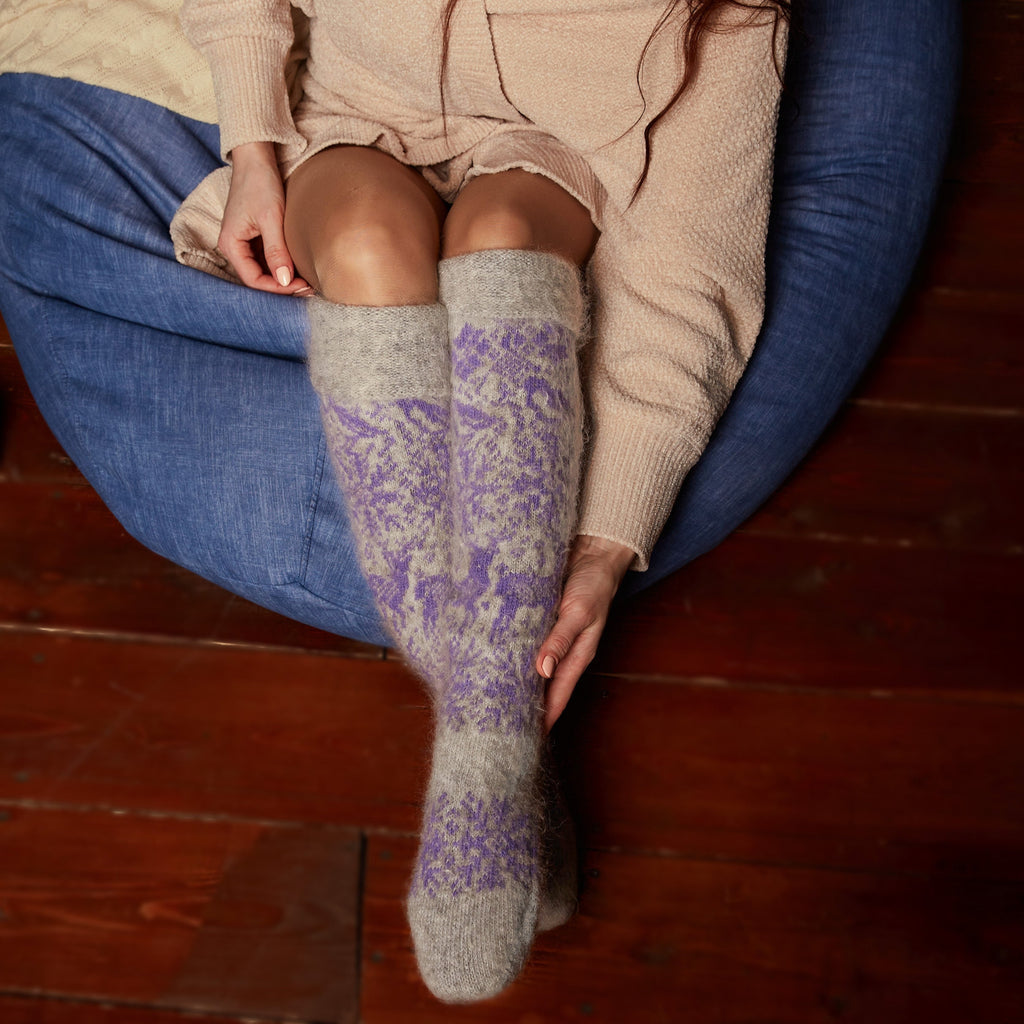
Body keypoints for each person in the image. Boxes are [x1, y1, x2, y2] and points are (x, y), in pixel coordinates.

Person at [172, 0, 789, 1003]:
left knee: (501, 237)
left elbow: (692, 281)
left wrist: (602, 546)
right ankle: (498, 735)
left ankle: (485, 739)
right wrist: (250, 145)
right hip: (356, 122)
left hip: (556, 159)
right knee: (370, 243)